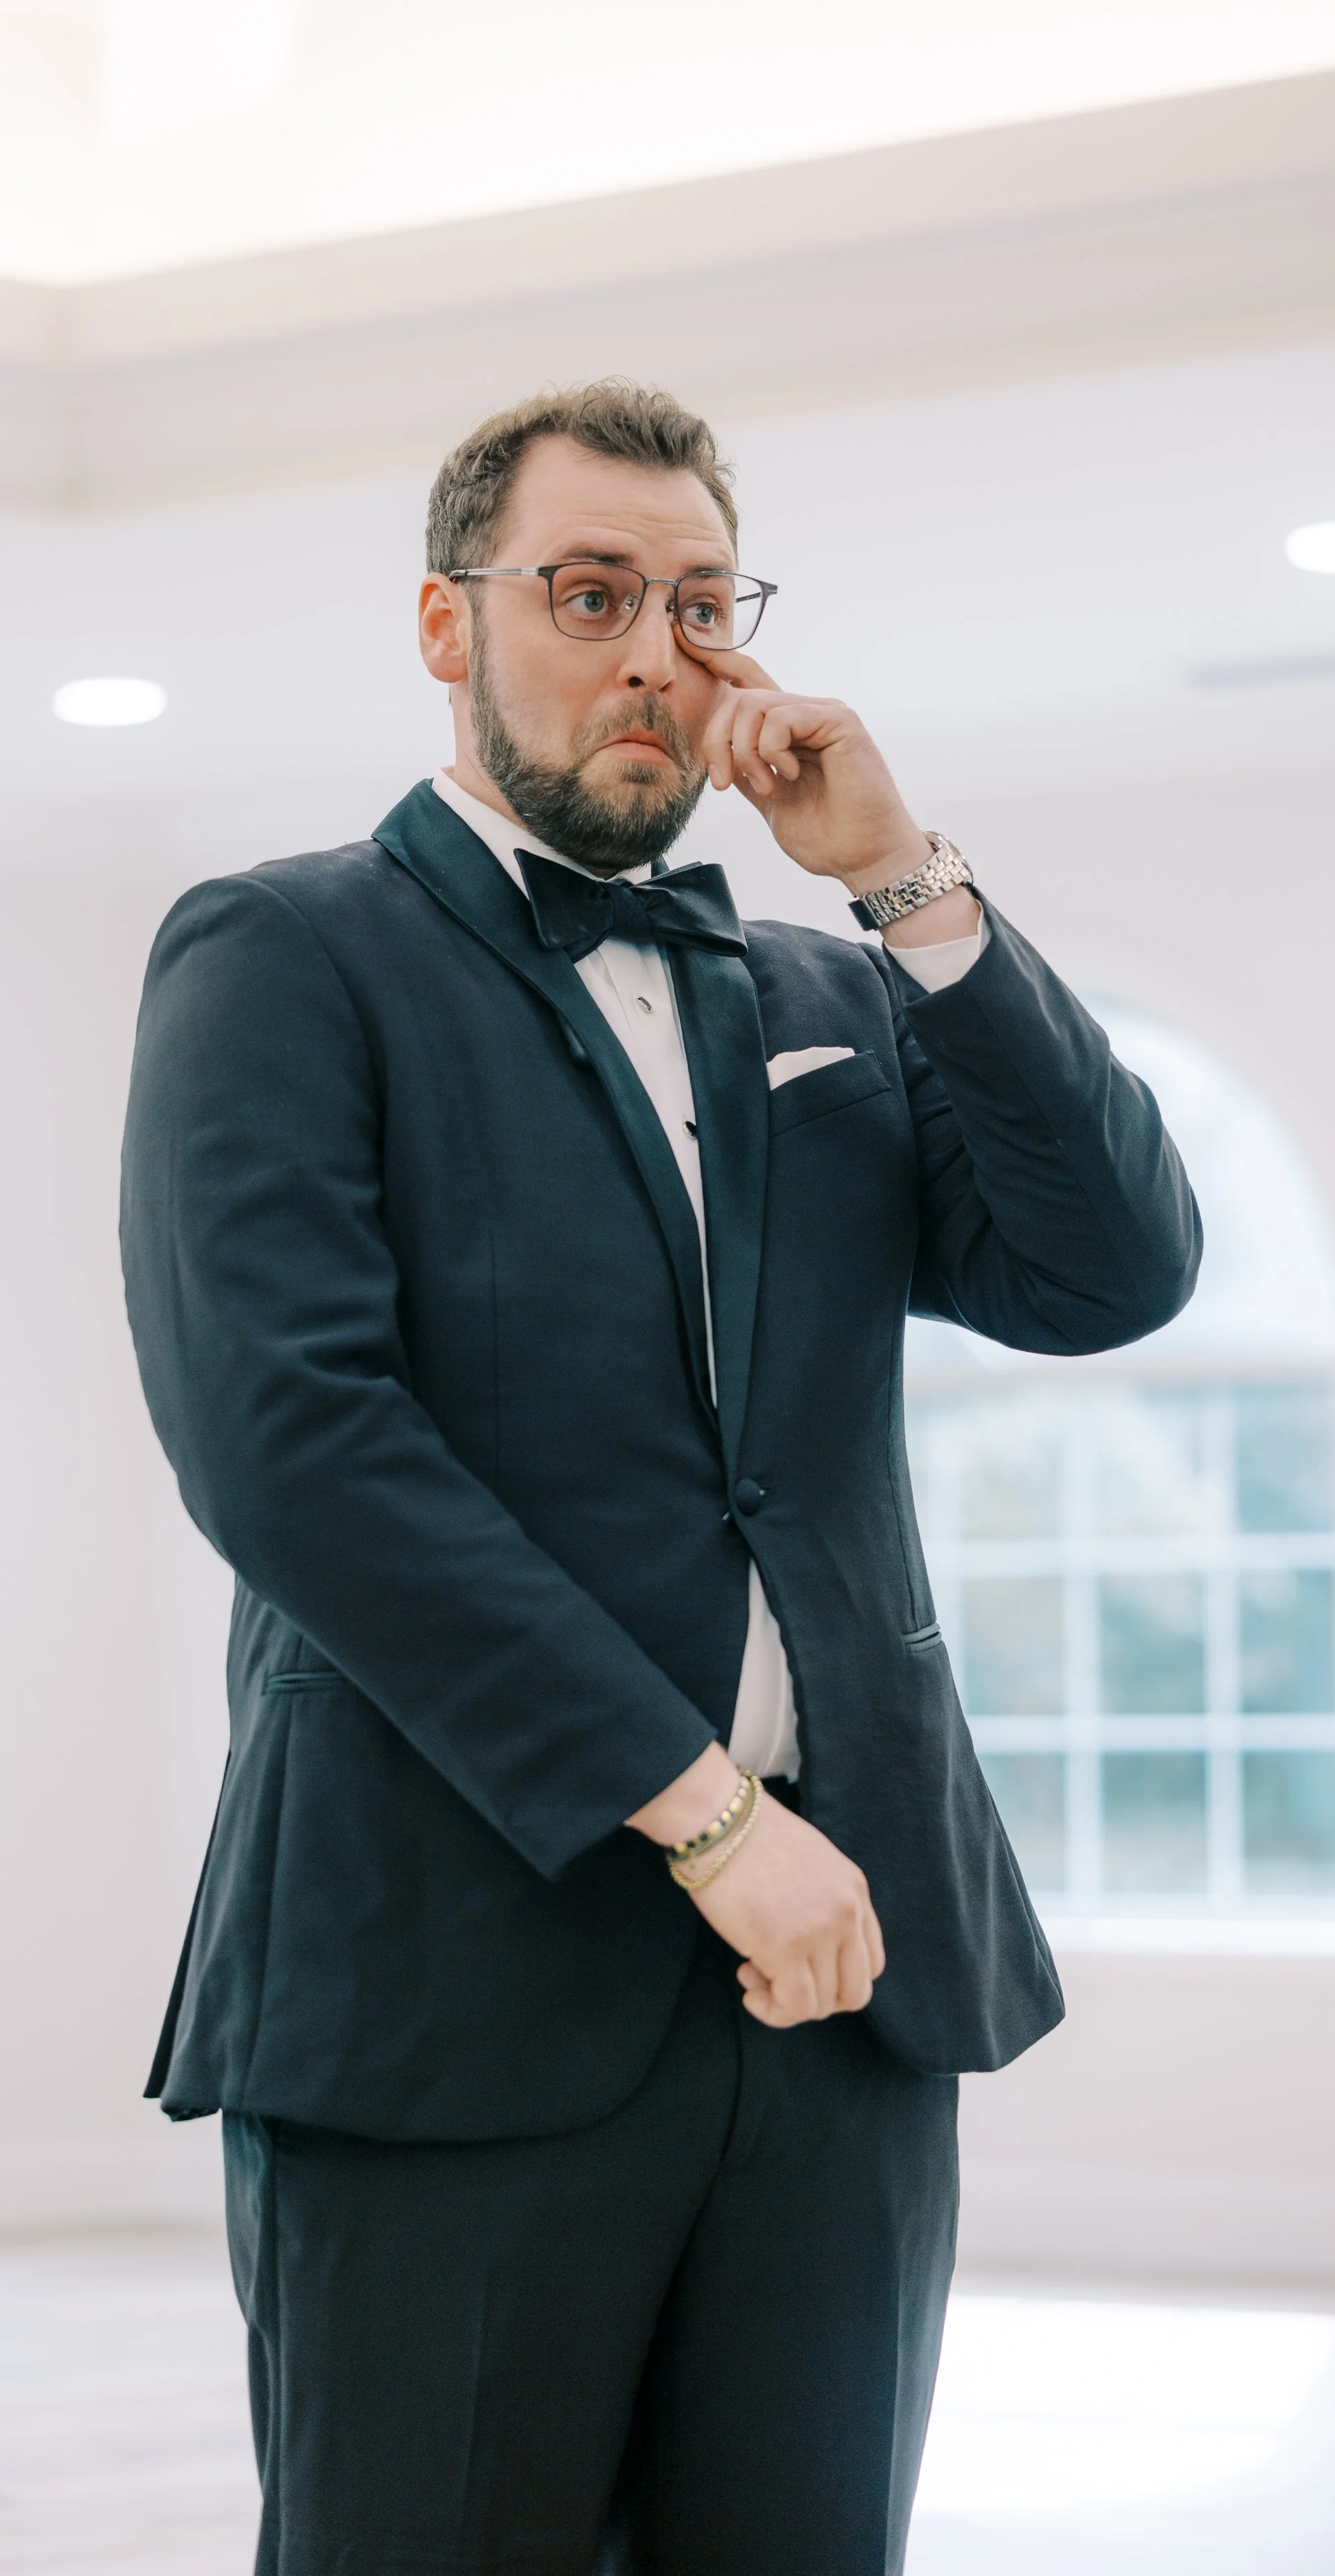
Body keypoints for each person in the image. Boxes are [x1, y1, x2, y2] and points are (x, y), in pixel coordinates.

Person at [119, 382, 1200, 2576]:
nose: (651, 653)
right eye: (589, 594)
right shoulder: (278, 954)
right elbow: (296, 1449)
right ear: (448, 624)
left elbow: (1110, 1270)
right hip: (445, 1983)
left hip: (843, 2000)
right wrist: (708, 1820)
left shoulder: (823, 982)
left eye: (699, 603)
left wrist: (903, 878)